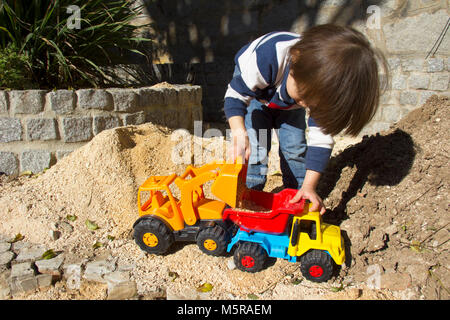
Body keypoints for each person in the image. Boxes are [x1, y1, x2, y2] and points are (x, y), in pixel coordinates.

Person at [224, 24, 388, 214]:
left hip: (285, 99)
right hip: (256, 93)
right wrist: (238, 132)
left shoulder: (319, 89)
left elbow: (321, 139)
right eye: (303, 96)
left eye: (311, 103)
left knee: (294, 146)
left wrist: (309, 186)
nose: (305, 104)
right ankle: (250, 190)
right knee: (257, 144)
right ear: (294, 62)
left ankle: (296, 192)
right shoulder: (266, 58)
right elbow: (236, 95)